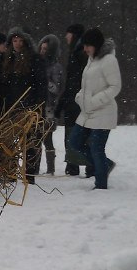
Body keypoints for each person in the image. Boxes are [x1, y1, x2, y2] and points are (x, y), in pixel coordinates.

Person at [68, 27, 121, 190]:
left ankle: (101, 186)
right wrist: (80, 97)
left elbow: (115, 86)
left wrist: (94, 101)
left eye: (87, 46)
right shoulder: (92, 59)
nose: (85, 49)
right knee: (74, 142)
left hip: (104, 112)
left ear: (96, 45)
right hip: (87, 112)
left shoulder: (109, 60)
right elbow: (86, 85)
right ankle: (104, 165)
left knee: (96, 148)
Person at [0, 27, 47, 183]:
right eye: (14, 40)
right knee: (10, 142)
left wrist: (38, 105)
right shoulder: (8, 60)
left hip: (30, 106)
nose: (17, 44)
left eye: (20, 40)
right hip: (12, 107)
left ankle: (29, 175)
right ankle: (11, 173)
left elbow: (41, 84)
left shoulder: (34, 59)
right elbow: (4, 85)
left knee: (31, 142)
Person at [55, 23, 89, 176]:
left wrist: (66, 101)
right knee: (78, 134)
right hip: (74, 100)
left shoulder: (80, 53)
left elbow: (74, 82)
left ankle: (76, 165)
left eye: (68, 34)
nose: (66, 37)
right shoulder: (76, 52)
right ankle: (76, 165)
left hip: (77, 102)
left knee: (75, 135)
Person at [38, 34, 63, 175]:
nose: (42, 51)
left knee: (47, 138)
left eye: (45, 49)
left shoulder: (55, 67)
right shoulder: (38, 63)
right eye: (41, 48)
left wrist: (44, 81)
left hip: (49, 107)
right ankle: (34, 167)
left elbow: (57, 88)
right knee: (36, 137)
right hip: (37, 105)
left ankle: (50, 168)